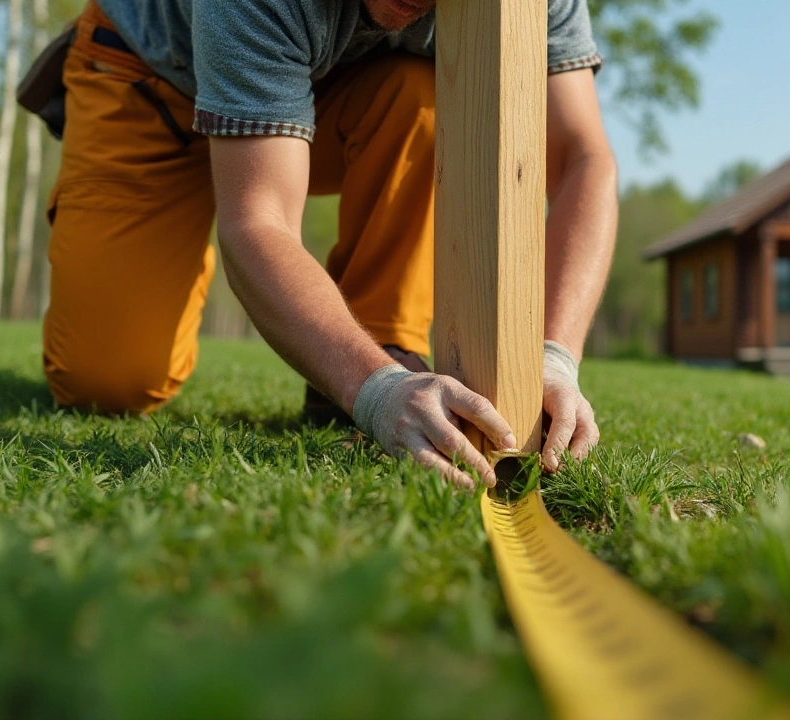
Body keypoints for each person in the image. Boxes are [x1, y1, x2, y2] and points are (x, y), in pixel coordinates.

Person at [37, 0, 618, 490]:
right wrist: (377, 395)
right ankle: (367, 372)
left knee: (423, 93)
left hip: (326, 92)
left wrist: (553, 359)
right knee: (109, 384)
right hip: (153, 82)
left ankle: (378, 349)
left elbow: (580, 159)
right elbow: (259, 221)